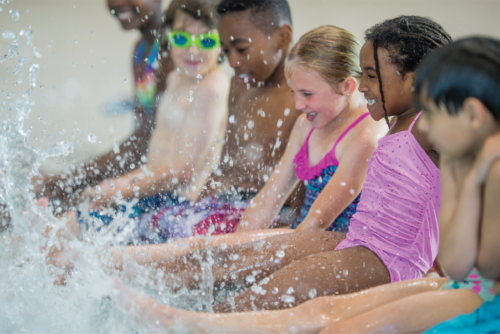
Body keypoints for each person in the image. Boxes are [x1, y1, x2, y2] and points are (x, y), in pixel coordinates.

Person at [111, 16, 453, 314]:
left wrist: (274, 259)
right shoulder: (391, 123)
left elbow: (320, 220)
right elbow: (275, 189)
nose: (364, 86)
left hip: (357, 246)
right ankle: (121, 271)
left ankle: (160, 305)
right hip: (341, 240)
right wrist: (245, 245)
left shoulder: (391, 131)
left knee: (248, 291)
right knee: (222, 251)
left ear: (413, 78)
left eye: (371, 76)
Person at [119, 0, 303, 244]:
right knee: (143, 227)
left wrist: (248, 240)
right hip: (222, 204)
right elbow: (223, 169)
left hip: (263, 218)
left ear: (282, 38)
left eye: (241, 49)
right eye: (226, 51)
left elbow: (297, 205)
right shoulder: (240, 85)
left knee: (162, 238)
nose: (233, 63)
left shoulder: (300, 100)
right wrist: (197, 208)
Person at [61, 0, 231, 240]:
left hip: (178, 205)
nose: (193, 51)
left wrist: (118, 191)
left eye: (206, 41)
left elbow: (183, 171)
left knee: (73, 228)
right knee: (72, 219)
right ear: (168, 37)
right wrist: (114, 185)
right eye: (182, 39)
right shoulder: (175, 80)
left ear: (222, 46)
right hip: (154, 195)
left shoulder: (211, 87)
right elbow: (155, 164)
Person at [35, 0, 173, 211]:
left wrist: (65, 178)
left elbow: (148, 146)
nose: (117, 3)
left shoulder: (174, 51)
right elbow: (140, 137)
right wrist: (69, 178)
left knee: (52, 203)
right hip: (146, 168)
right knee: (46, 197)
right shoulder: (142, 49)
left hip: (167, 182)